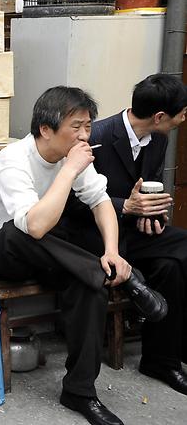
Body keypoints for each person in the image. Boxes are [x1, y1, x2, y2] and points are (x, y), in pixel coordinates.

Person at [0, 86, 167, 425]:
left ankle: (80, 391)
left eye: (88, 126)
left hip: (50, 254)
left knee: (88, 285)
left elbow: (101, 202)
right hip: (1, 253)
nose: (84, 135)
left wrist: (110, 252)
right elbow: (34, 227)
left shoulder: (74, 154)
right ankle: (120, 279)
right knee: (24, 229)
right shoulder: (13, 160)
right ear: (46, 129)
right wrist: (68, 170)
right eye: (75, 126)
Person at [61, 74, 187, 395]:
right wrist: (126, 207)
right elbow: (70, 203)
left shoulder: (159, 139)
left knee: (173, 261)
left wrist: (152, 215)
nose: (184, 119)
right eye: (181, 113)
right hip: (94, 239)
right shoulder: (96, 136)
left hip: (135, 233)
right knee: (173, 258)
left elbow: (148, 187)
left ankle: (162, 360)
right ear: (160, 117)